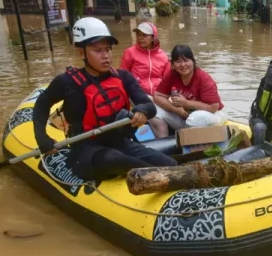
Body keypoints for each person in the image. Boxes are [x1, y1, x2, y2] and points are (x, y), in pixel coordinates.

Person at [33, 17, 177, 182]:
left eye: (108, 49)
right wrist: (41, 137)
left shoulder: (123, 77)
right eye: (98, 50)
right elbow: (42, 105)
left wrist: (142, 111)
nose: (106, 56)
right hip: (86, 150)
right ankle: (162, 176)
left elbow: (148, 105)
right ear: (81, 53)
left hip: (119, 143)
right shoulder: (67, 82)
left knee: (170, 162)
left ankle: (169, 173)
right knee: (113, 158)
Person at [153, 45, 225, 132]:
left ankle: (187, 138)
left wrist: (186, 103)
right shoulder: (172, 75)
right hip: (184, 116)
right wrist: (175, 110)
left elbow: (213, 107)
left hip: (212, 115)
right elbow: (157, 96)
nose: (183, 65)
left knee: (195, 118)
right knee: (152, 108)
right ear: (173, 64)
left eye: (186, 60)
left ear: (193, 61)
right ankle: (163, 139)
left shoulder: (203, 78)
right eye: (178, 62)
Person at [119, 22, 172, 138]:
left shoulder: (163, 56)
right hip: (138, 96)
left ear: (153, 37)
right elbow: (122, 78)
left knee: (175, 111)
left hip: (158, 96)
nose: (140, 38)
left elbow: (167, 81)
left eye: (144, 35)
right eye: (138, 35)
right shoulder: (130, 53)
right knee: (160, 124)